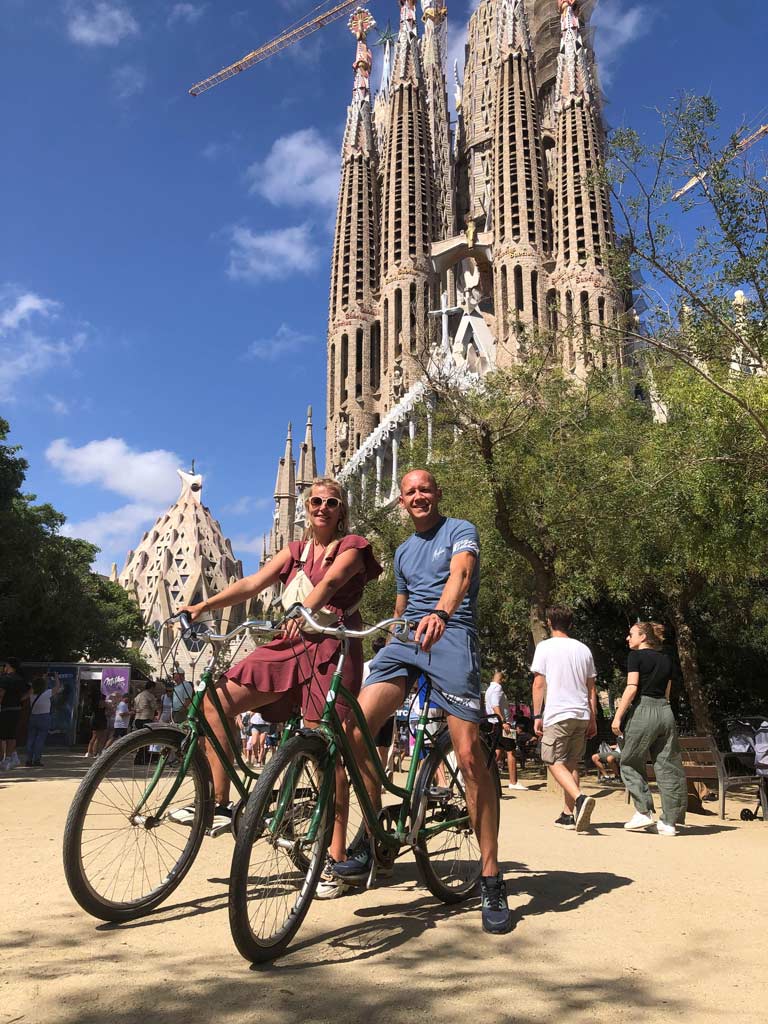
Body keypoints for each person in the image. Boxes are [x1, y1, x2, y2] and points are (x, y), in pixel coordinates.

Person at [332, 469, 512, 935]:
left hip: (451, 633)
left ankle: (491, 876)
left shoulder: (460, 530)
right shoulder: (402, 551)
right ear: (402, 502)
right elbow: (401, 604)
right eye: (410, 492)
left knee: (468, 755)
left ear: (437, 493)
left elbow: (461, 573)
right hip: (408, 639)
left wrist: (441, 613)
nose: (418, 496)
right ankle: (373, 838)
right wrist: (391, 636)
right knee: (355, 730)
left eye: (425, 489)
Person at [179, 476, 382, 888]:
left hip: (334, 648)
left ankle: (335, 858)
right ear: (305, 508)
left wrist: (299, 612)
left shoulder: (353, 547)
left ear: (341, 510)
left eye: (330, 502)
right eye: (315, 501)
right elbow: (251, 584)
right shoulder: (295, 552)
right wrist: (202, 605)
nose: (322, 508)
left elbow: (331, 582)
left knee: (325, 751)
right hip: (291, 644)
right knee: (215, 702)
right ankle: (220, 803)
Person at [613, 622, 687, 836]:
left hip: (643, 710)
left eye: (631, 634)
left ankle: (643, 811)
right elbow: (667, 692)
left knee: (629, 761)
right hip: (665, 711)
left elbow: (631, 687)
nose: (628, 638)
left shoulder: (635, 656)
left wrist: (618, 716)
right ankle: (669, 822)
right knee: (668, 766)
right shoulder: (666, 659)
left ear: (643, 636)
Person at [531, 606, 598, 832]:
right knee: (571, 764)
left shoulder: (545, 647)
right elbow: (591, 688)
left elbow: (539, 683)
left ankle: (580, 798)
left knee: (551, 759)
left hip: (558, 712)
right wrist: (593, 718)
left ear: (549, 622)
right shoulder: (583, 649)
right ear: (571, 623)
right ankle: (568, 815)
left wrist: (537, 714)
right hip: (581, 713)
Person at [485, 669, 527, 792]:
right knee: (511, 751)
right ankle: (513, 782)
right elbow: (495, 705)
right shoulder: (497, 688)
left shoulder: (489, 689)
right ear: (502, 679)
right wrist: (503, 721)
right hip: (503, 724)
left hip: (494, 723)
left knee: (498, 752)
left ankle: (485, 776)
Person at [25, 672, 61, 767]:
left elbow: (34, 687)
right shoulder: (47, 693)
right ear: (44, 685)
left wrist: (42, 678)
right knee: (40, 739)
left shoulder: (32, 694)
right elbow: (57, 687)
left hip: (33, 717)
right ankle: (36, 759)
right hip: (44, 717)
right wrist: (56, 677)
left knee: (31, 739)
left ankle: (28, 759)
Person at [0, 659, 31, 770]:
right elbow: (29, 691)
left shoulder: (5, 679)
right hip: (16, 710)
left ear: (9, 666)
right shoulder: (20, 679)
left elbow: (1, 694)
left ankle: (2, 759)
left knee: (2, 737)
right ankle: (8, 759)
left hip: (5, 709)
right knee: (11, 735)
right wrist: (19, 699)